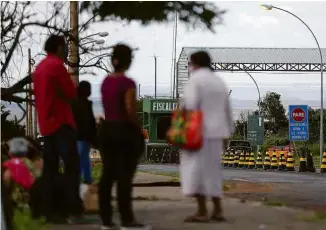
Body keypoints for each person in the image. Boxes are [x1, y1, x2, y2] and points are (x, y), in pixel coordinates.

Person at [99, 44, 150, 230]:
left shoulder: (105, 82)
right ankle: (127, 220)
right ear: (128, 61)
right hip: (123, 132)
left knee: (107, 177)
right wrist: (139, 130)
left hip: (107, 131)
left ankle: (106, 220)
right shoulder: (127, 83)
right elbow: (129, 110)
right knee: (124, 178)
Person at [33, 35, 84, 224]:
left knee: (50, 169)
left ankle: (48, 210)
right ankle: (71, 208)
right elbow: (70, 93)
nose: (66, 51)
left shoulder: (39, 68)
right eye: (64, 47)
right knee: (72, 167)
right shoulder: (56, 66)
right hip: (61, 123)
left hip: (46, 124)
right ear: (57, 47)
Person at [179, 51, 234, 222]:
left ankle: (202, 211)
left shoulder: (195, 80)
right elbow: (227, 110)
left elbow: (190, 106)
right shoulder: (219, 81)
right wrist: (227, 134)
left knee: (196, 171)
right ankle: (218, 209)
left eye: (189, 64)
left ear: (194, 64)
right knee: (213, 172)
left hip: (198, 133)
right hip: (217, 133)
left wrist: (180, 129)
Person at [71, 81, 97, 184]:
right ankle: (81, 179)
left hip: (79, 135)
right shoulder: (84, 104)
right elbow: (89, 121)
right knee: (82, 158)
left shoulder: (74, 103)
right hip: (82, 135)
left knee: (84, 157)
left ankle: (86, 178)